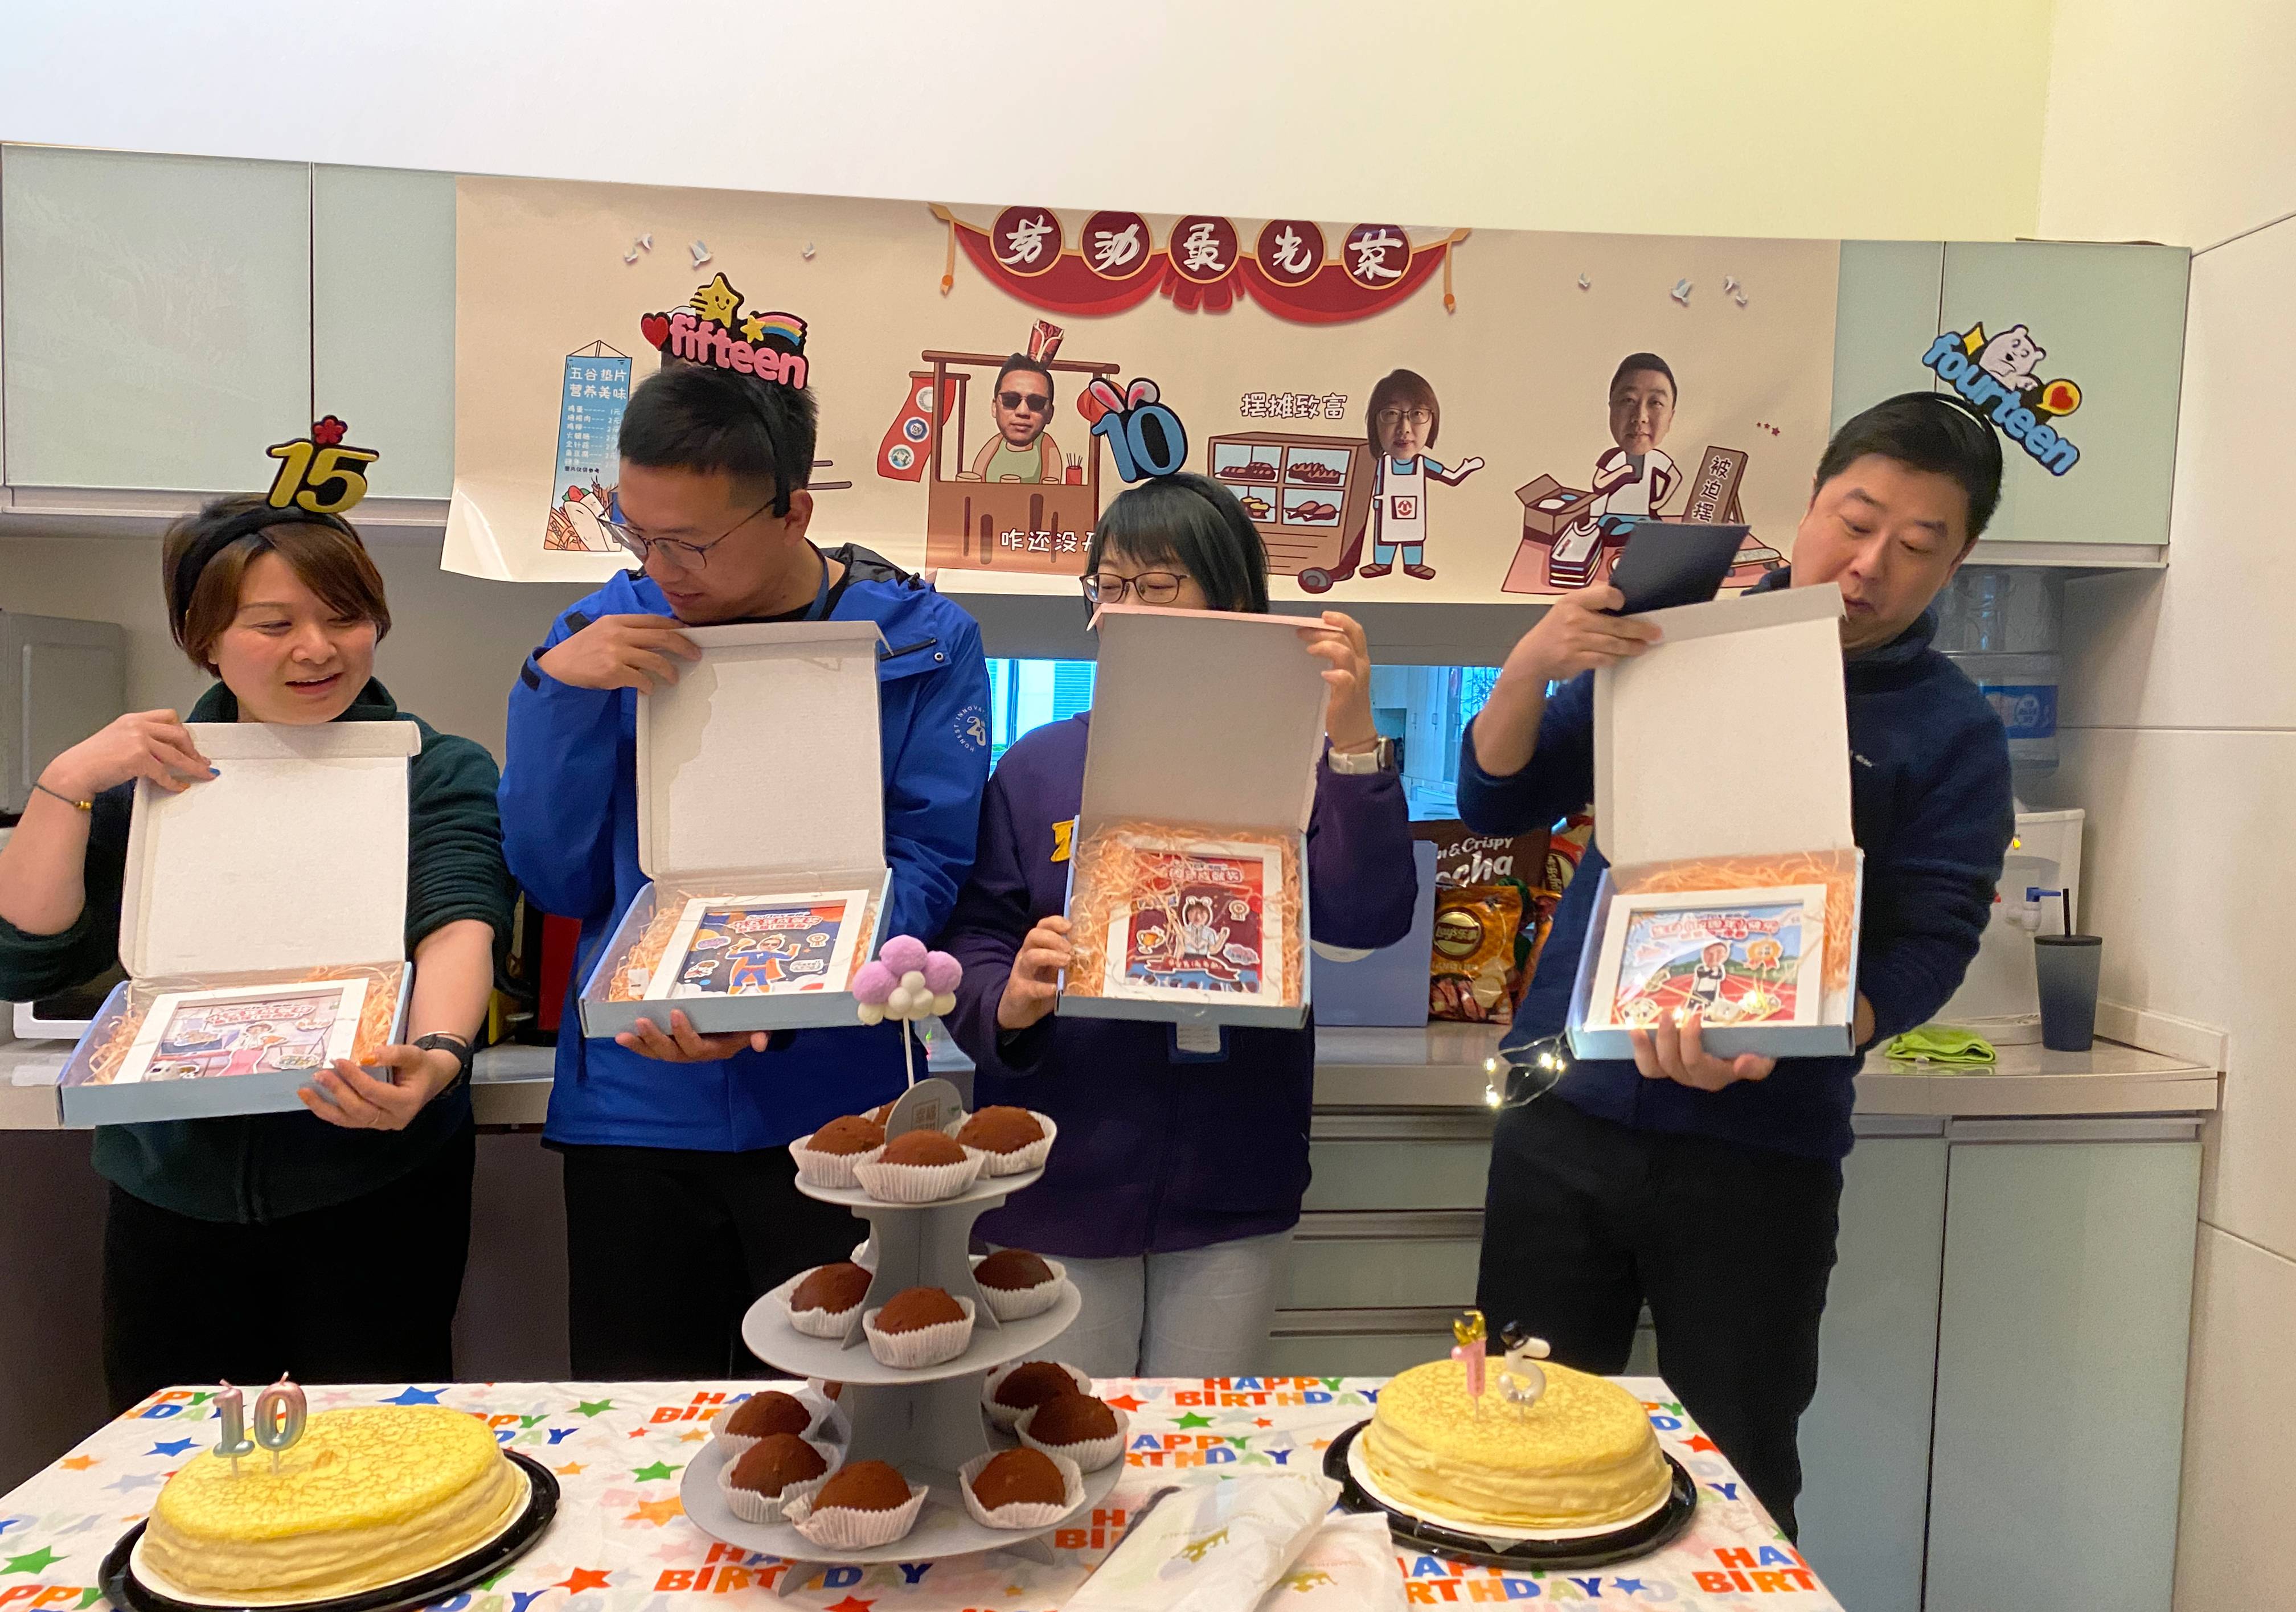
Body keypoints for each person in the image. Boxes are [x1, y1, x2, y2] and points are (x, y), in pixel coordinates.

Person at [1460, 392, 2015, 1539]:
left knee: (1741, 1468)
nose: (1870, 564)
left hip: (1764, 1149)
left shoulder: (1952, 728)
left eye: (1917, 546)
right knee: (1515, 1444)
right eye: (1854, 521)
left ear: (1957, 560)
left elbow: (1934, 936)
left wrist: (1806, 1028)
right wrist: (1530, 664)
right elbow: (1500, 798)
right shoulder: (1669, 637)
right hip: (1565, 1112)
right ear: (1807, 505)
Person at [499, 359, 991, 1379]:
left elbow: (929, 866)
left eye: (691, 542)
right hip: (634, 1104)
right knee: (641, 1411)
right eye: (638, 532)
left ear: (792, 511)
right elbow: (557, 881)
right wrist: (557, 696)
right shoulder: (597, 637)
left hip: (839, 1106)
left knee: (837, 1406)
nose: (661, 567)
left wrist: (776, 993)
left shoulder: (919, 641)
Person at [0, 496, 511, 1411]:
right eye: (273, 625)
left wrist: (438, 1054)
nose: (316, 648)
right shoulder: (152, 773)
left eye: (345, 617)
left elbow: (458, 916)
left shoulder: (435, 767)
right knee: (184, 1451)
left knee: (373, 1448)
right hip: (170, 1187)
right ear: (204, 639)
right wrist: (67, 780)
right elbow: (25, 959)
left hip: (376, 1178)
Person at [937, 472, 1417, 1377]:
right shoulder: (1041, 765)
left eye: (1157, 585)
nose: (1126, 610)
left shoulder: (1297, 760)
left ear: (1233, 600)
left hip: (1233, 1176)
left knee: (1203, 1439)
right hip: (1061, 1171)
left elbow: (1367, 917)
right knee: (1059, 1434)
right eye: (1109, 586)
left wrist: (1352, 741)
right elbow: (976, 939)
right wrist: (1008, 996)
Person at [1550, 353, 1680, 588]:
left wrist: (1659, 503)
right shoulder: (1614, 458)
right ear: (1611, 408)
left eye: (1656, 403)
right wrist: (1622, 474)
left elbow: (1675, 477)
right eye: (1628, 400)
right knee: (1608, 534)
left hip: (1643, 518)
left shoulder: (1656, 459)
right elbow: (1600, 484)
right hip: (1612, 518)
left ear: (1671, 417)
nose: (1640, 417)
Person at [1358, 368, 1482, 581]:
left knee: (1414, 536)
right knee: (1384, 536)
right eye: (1391, 414)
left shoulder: (1423, 464)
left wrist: (1467, 468)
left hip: (1414, 516)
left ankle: (1414, 563)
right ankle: (1382, 563)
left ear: (1432, 421)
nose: (1404, 429)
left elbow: (1451, 478)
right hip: (1385, 513)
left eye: (1417, 414)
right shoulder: (1379, 465)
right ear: (1375, 422)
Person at [967, 354, 1064, 483]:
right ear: (994, 407)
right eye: (1010, 400)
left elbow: (1052, 485)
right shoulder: (994, 445)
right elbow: (976, 480)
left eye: (1036, 403)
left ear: (1050, 413)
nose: (1022, 411)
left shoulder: (1046, 446)